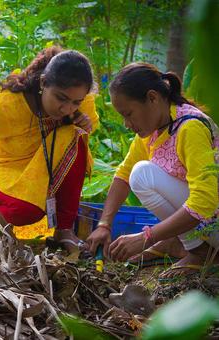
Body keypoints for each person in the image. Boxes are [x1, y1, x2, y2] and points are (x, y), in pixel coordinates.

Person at [0, 46, 99, 253]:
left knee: (77, 136)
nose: (67, 108)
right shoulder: (6, 106)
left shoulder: (78, 101)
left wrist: (82, 122)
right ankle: (1, 224)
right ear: (43, 83)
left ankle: (64, 230)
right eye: (61, 98)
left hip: (39, 170)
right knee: (27, 210)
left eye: (76, 102)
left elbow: (91, 124)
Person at [87, 62, 219, 277]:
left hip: (214, 223)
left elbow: (205, 202)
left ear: (153, 98)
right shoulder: (155, 129)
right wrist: (104, 225)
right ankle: (186, 244)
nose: (126, 123)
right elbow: (123, 175)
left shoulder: (190, 128)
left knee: (142, 174)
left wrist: (146, 237)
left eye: (129, 114)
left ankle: (199, 251)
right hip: (210, 222)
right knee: (138, 173)